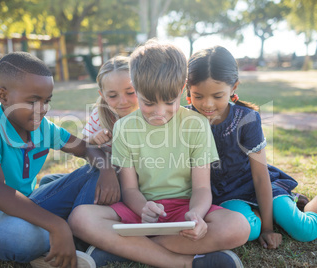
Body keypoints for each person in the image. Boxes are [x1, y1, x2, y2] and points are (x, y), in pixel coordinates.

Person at [68, 40, 250, 268]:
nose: (159, 112)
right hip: (140, 211)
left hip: (184, 209)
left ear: (182, 89)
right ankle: (181, 263)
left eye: (169, 102)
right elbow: (130, 188)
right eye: (148, 103)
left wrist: (196, 214)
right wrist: (143, 208)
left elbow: (202, 188)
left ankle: (124, 249)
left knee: (238, 226)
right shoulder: (124, 127)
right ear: (136, 87)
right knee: (80, 218)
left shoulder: (197, 124)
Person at [0, 51, 119, 268]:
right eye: (33, 101)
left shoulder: (43, 128)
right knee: (29, 239)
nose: (42, 110)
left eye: (46, 101)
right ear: (3, 96)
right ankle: (65, 236)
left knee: (97, 169)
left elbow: (87, 149)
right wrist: (56, 225)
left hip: (28, 203)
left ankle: (80, 236)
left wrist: (106, 170)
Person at [185, 45, 317, 249]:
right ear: (188, 89)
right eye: (198, 96)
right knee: (250, 230)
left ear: (233, 88)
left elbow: (259, 175)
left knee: (304, 230)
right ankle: (265, 210)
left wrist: (268, 229)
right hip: (225, 195)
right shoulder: (184, 119)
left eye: (217, 96)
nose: (207, 104)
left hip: (258, 185)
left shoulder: (246, 119)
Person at [39, 56, 139, 203]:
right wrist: (93, 139)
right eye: (112, 95)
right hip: (104, 174)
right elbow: (84, 146)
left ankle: (77, 214)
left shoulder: (145, 116)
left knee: (91, 178)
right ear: (102, 95)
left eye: (130, 92)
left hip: (127, 185)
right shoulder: (101, 115)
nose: (123, 101)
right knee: (47, 180)